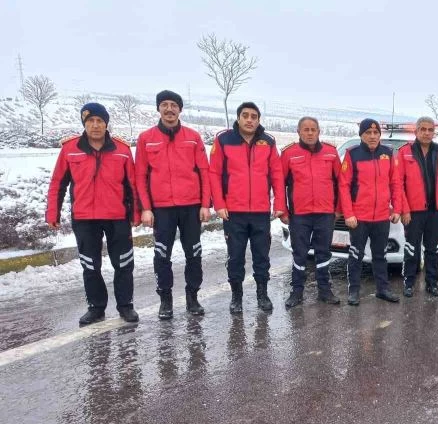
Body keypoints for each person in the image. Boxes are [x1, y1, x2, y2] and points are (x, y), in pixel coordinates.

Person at [46, 103, 140, 325]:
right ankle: (96, 308)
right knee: (90, 265)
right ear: (84, 124)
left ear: (106, 124)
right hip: (85, 218)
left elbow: (133, 185)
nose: (95, 125)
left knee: (124, 264)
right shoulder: (70, 149)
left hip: (117, 217)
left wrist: (136, 214)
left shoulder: (122, 149)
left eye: (100, 121)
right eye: (90, 121)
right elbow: (58, 182)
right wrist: (53, 212)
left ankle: (126, 306)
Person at [135, 90, 211, 320]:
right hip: (161, 209)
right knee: (162, 255)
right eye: (165, 105)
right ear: (159, 108)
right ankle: (165, 300)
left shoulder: (193, 137)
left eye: (174, 105)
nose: (169, 109)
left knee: (194, 254)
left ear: (180, 109)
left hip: (191, 207)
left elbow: (204, 172)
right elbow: (140, 176)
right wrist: (146, 208)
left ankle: (192, 297)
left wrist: (205, 203)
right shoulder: (146, 138)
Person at [209, 102, 286, 314]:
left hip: (261, 212)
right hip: (234, 213)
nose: (250, 120)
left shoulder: (268, 142)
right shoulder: (224, 139)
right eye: (245, 115)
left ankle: (262, 294)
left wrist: (279, 203)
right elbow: (214, 173)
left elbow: (277, 174)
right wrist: (219, 204)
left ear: (258, 120)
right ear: (239, 118)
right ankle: (237, 297)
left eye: (254, 116)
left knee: (262, 256)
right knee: (235, 257)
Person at [280, 116, 342, 308]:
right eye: (305, 129)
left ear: (318, 131)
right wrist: (282, 209)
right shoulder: (289, 154)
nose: (309, 133)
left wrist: (339, 209)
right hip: (300, 214)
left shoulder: (331, 153)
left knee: (323, 253)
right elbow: (279, 183)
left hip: (325, 213)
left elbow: (342, 183)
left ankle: (325, 290)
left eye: (313, 129)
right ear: (298, 132)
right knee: (300, 254)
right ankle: (296, 292)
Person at [338, 119, 401, 306]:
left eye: (376, 132)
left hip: (382, 216)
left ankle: (383, 289)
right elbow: (344, 186)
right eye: (368, 133)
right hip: (359, 217)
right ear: (361, 135)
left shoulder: (387, 154)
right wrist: (348, 213)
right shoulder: (352, 155)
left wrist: (397, 208)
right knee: (356, 254)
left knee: (380, 255)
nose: (372, 136)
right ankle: (354, 291)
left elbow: (395, 183)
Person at [392, 116, 438, 297]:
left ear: (434, 132)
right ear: (416, 131)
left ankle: (432, 283)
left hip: (435, 211)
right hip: (413, 212)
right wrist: (404, 209)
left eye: (430, 130)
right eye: (423, 129)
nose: (427, 133)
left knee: (433, 249)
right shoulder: (405, 152)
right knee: (411, 248)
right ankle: (409, 282)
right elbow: (399, 184)